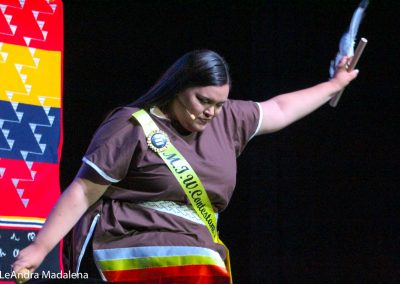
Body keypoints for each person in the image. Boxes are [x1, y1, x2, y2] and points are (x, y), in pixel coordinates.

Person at [12, 49, 358, 283]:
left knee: (205, 263)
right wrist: (40, 248)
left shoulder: (227, 120)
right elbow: (84, 191)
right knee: (200, 269)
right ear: (178, 90)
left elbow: (280, 109)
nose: (211, 112)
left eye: (219, 104)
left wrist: (335, 84)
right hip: (131, 239)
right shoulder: (132, 125)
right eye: (203, 101)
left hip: (196, 245)